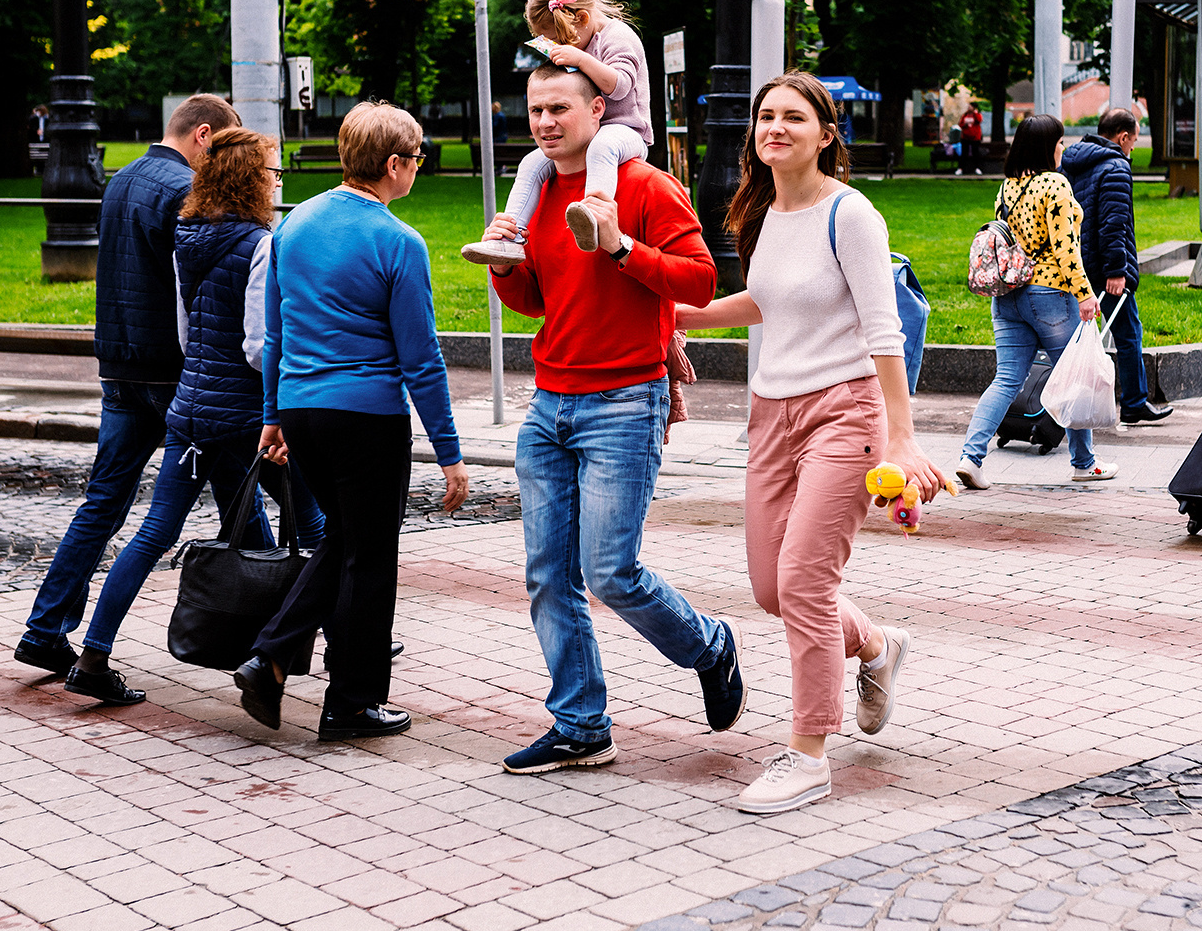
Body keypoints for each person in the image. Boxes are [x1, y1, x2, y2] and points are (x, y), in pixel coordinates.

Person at [673, 72, 943, 815]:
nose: (774, 127)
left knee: (804, 583)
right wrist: (683, 317)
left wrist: (901, 434)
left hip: (843, 414)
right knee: (774, 587)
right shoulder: (763, 212)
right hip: (771, 414)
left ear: (827, 135)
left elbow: (883, 325)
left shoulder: (850, 214)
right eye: (766, 116)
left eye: (794, 117)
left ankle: (807, 752)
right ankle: (877, 644)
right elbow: (769, 299)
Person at [475, 64, 744, 773]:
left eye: (559, 108)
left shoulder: (646, 186)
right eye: (534, 110)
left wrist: (621, 245)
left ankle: (709, 645)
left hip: (624, 401)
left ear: (598, 109)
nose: (544, 122)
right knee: (547, 574)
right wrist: (505, 262)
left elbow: (702, 279)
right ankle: (581, 724)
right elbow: (539, 301)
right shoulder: (535, 193)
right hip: (549, 402)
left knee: (612, 570)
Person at [230, 104, 467, 740]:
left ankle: (274, 659)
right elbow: (421, 359)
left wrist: (273, 416)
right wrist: (449, 451)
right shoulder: (399, 242)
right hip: (366, 417)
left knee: (348, 541)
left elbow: (276, 332)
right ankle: (349, 701)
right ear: (393, 165)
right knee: (370, 557)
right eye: (417, 159)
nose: (418, 169)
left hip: (304, 413)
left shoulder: (294, 225)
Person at [62, 128, 318, 706]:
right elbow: (259, 345)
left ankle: (94, 655)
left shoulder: (188, 232)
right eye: (273, 172)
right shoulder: (260, 244)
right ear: (252, 178)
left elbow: (184, 331)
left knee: (155, 532)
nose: (279, 181)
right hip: (241, 417)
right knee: (313, 518)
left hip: (190, 410)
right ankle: (325, 641)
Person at [14, 95, 243, 676]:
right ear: (203, 136)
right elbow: (200, 285)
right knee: (241, 500)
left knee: (103, 503)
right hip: (175, 372)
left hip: (119, 365)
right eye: (221, 150)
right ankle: (279, 634)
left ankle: (45, 629)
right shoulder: (183, 190)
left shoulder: (120, 180)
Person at [954, 114, 1111, 489]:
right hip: (1050, 295)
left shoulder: (1008, 187)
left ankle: (970, 458)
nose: (1063, 149)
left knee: (1006, 379)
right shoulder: (1055, 185)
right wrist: (1084, 293)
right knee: (1074, 378)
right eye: (1059, 143)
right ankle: (1084, 462)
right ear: (1045, 147)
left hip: (1008, 295)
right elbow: (1066, 248)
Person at [462, 0, 651, 267]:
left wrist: (581, 60)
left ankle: (594, 215)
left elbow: (621, 86)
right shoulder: (581, 41)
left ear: (583, 20)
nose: (559, 48)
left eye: (561, 40)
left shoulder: (618, 37)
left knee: (603, 146)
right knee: (531, 163)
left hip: (626, 130)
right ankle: (510, 239)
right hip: (588, 132)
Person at [1063, 107, 1171, 425]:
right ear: (1123, 137)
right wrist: (1116, 270)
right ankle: (1135, 402)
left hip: (1077, 264)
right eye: (1133, 141)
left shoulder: (1070, 162)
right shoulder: (1116, 167)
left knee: (1073, 335)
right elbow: (1114, 224)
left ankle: (1063, 400)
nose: (1133, 148)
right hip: (1105, 267)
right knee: (1128, 332)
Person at [955, 104, 984, 175]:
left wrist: (975, 113)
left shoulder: (977, 114)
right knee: (964, 153)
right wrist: (964, 125)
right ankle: (961, 168)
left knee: (975, 153)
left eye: (970, 106)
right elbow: (960, 124)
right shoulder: (965, 115)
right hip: (965, 137)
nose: (968, 107)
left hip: (975, 138)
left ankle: (977, 168)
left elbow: (979, 120)